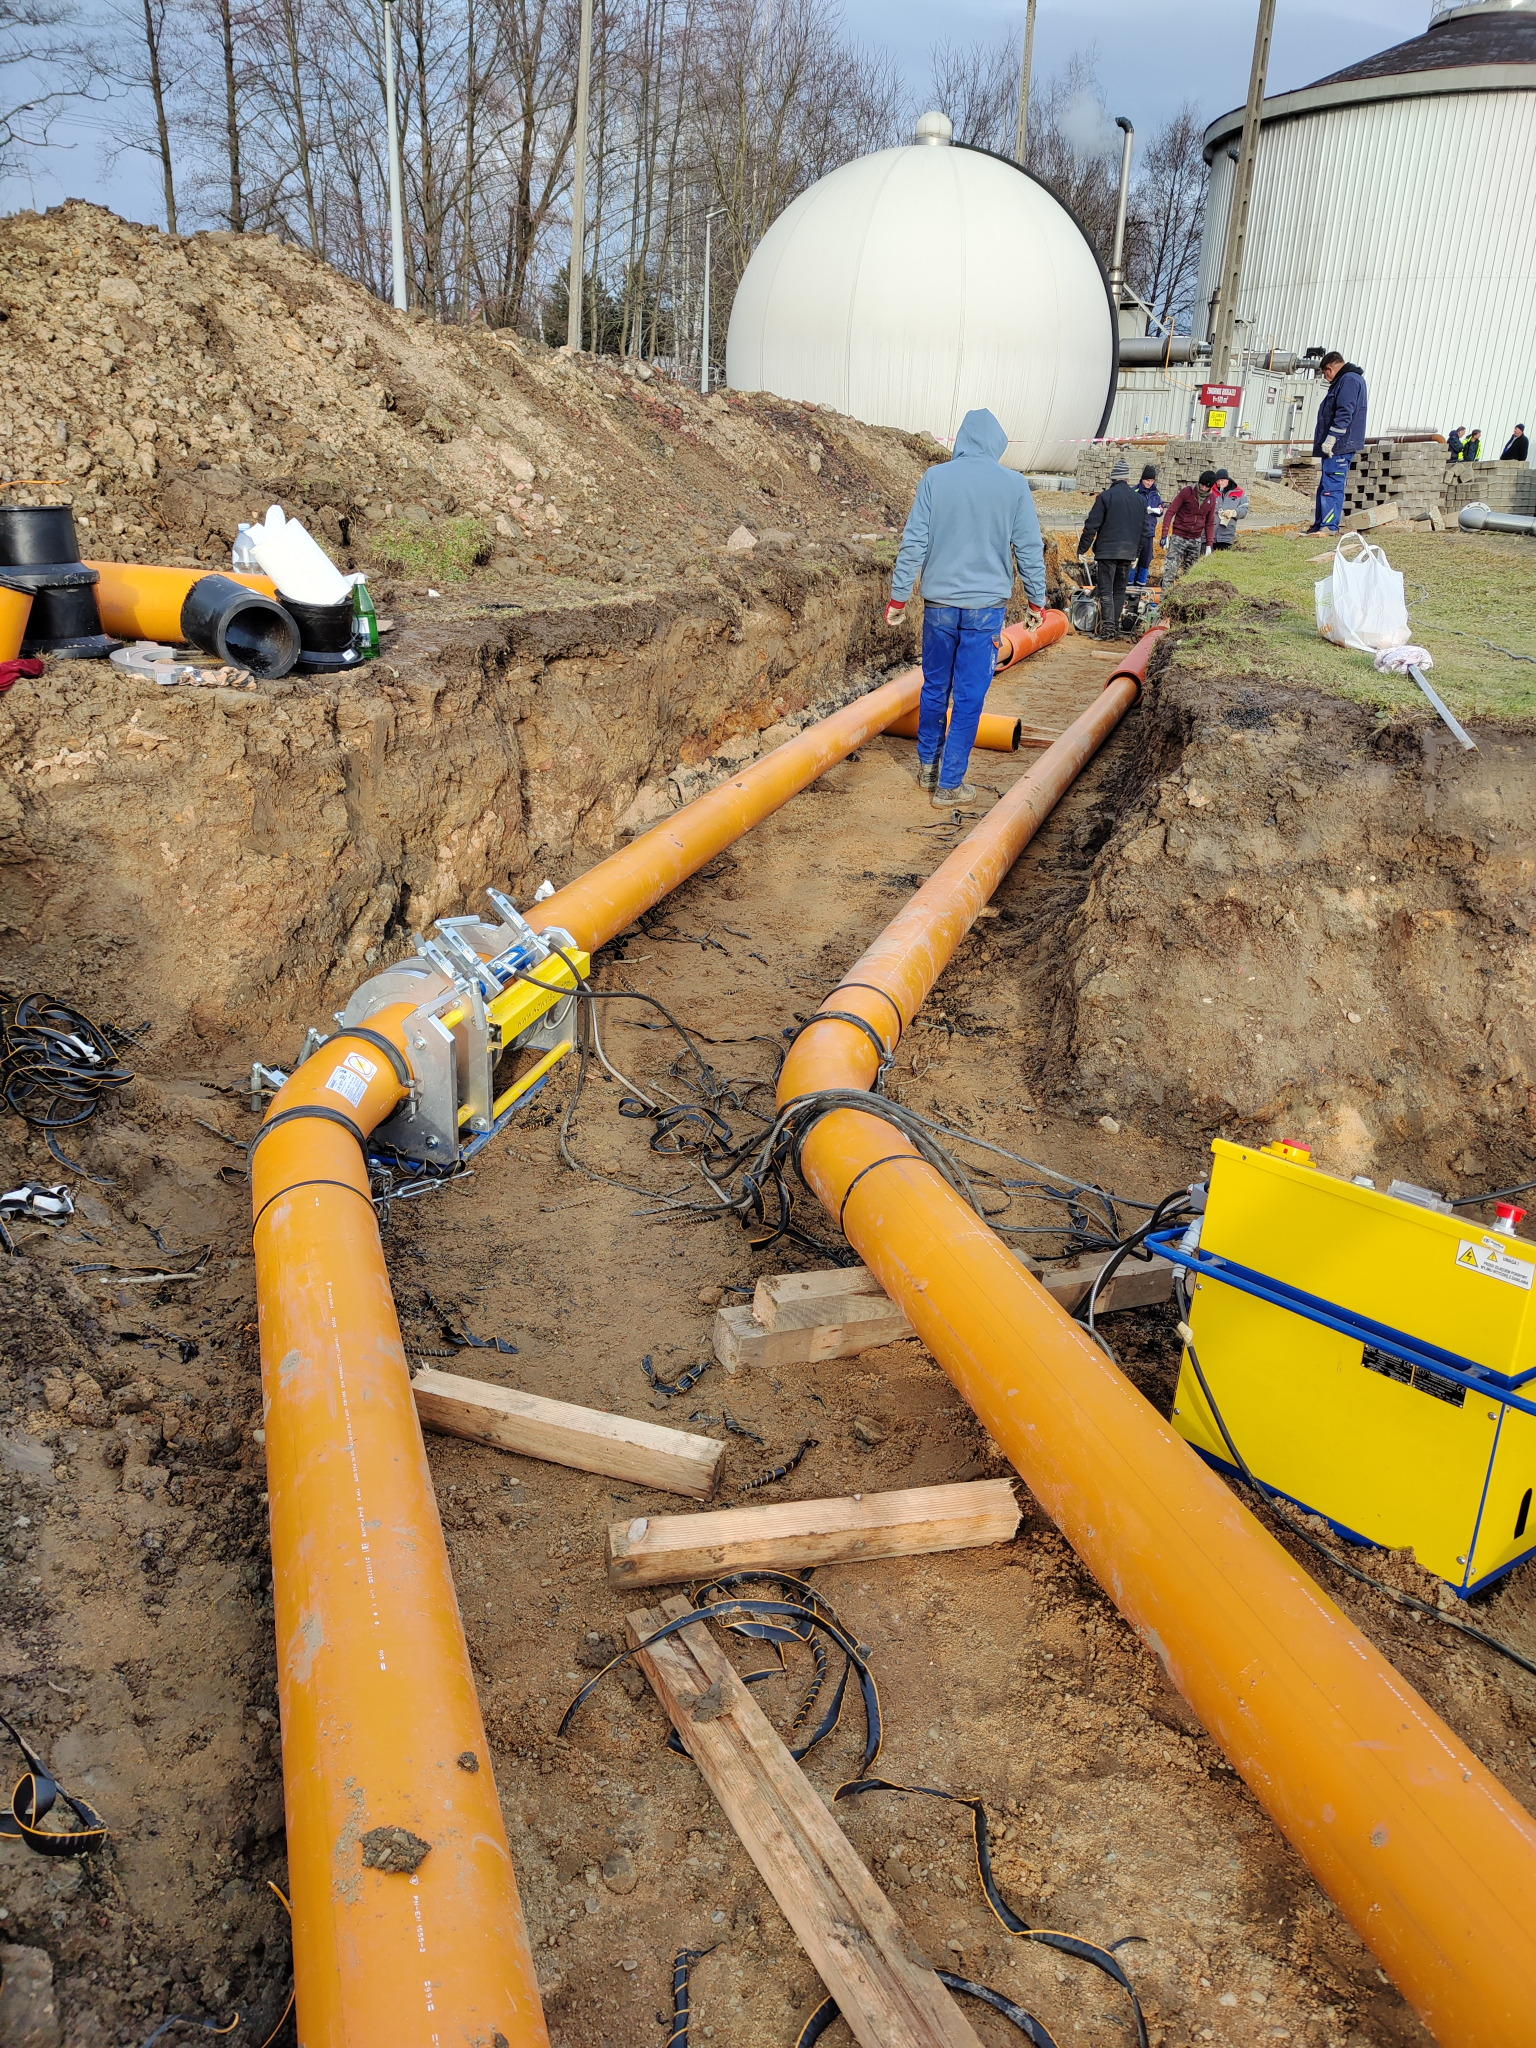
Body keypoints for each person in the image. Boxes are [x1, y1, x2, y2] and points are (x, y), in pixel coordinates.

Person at [886, 407, 1047, 807]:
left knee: (936, 686)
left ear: (961, 440)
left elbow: (914, 543)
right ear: (996, 443)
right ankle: (950, 784)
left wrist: (899, 597)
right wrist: (1036, 601)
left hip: (939, 605)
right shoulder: (1014, 485)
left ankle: (927, 768)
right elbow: (1028, 549)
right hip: (986, 609)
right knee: (970, 695)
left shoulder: (935, 479)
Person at [1077, 459, 1145, 641]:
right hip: (1127, 553)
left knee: (1106, 591)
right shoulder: (1139, 500)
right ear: (1127, 479)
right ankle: (1114, 628)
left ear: (1113, 479)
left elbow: (1091, 525)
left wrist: (1082, 548)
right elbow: (1144, 531)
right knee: (1119, 590)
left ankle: (1107, 631)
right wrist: (1136, 553)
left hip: (1107, 552)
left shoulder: (1106, 497)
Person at [1307, 352, 1368, 534]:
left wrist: (1332, 437)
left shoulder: (1348, 380)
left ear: (1329, 368)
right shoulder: (1347, 380)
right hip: (1338, 446)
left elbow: (1344, 412)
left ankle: (1329, 527)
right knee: (1326, 485)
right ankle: (1320, 525)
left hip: (1339, 446)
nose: (1327, 379)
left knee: (1332, 485)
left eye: (1326, 375)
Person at [1159, 469, 1218, 590]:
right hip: (1179, 537)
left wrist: (1209, 545)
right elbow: (1170, 512)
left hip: (1195, 539)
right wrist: (1165, 534)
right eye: (1201, 484)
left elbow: (1210, 522)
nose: (1203, 488)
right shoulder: (1187, 492)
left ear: (1210, 487)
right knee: (1171, 570)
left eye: (1206, 487)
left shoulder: (1211, 499)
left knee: (1190, 573)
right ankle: (1164, 599)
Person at [1131, 463, 1163, 587]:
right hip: (1135, 532)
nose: (1150, 483)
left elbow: (1161, 508)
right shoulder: (1135, 491)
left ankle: (1141, 587)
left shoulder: (1156, 493)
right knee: (1133, 560)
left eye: (1152, 480)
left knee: (1145, 561)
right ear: (1142, 479)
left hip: (1149, 532)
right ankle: (1128, 586)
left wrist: (1160, 511)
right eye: (1147, 480)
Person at [1210, 467, 1249, 550]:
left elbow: (1244, 509)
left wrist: (1234, 513)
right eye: (1217, 481)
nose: (1220, 483)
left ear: (1227, 479)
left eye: (1222, 480)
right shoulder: (1211, 491)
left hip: (1227, 535)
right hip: (1210, 534)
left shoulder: (1239, 492)